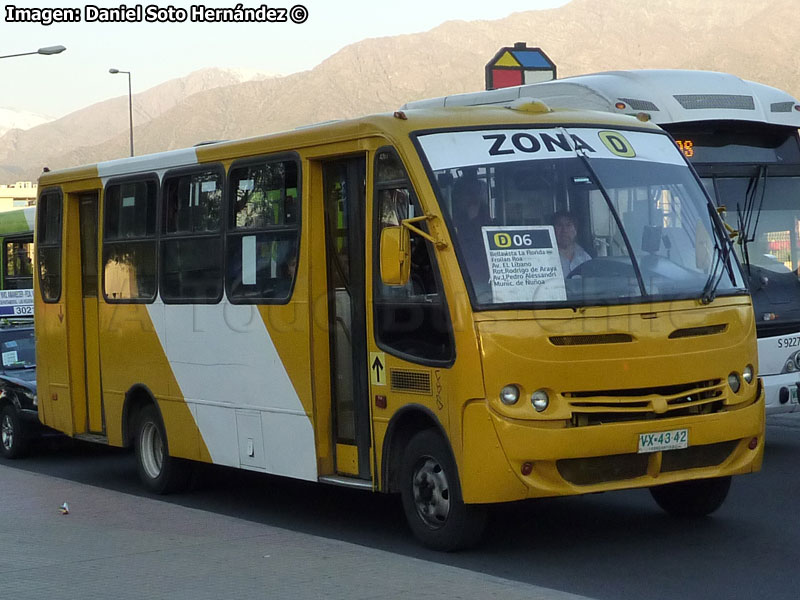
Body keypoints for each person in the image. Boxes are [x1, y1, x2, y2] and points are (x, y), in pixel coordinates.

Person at [553, 211, 591, 276]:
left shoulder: (585, 258)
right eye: (559, 225)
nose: (564, 230)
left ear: (575, 230)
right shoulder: (547, 258)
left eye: (568, 225)